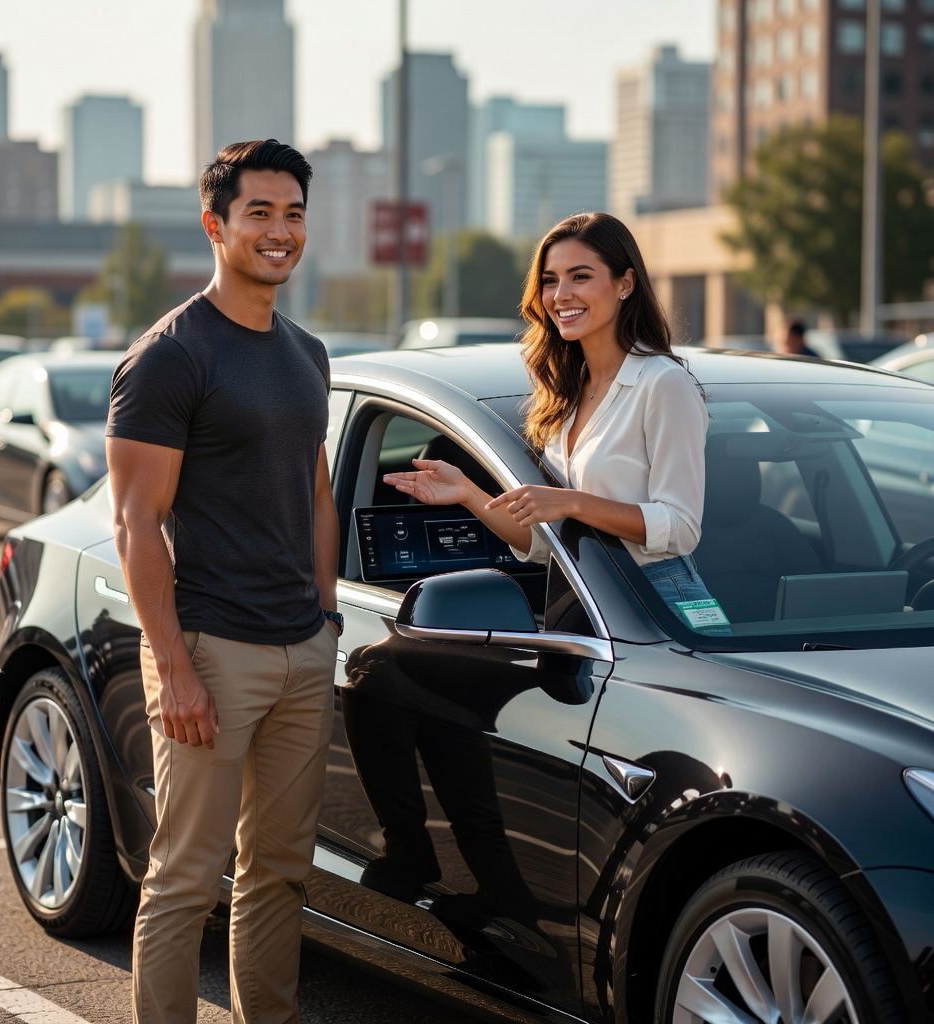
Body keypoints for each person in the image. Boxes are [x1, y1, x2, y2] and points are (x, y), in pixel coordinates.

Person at [106, 139, 341, 1024]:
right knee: (185, 878)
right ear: (216, 224)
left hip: (300, 650)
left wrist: (323, 618)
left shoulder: (306, 352)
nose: (280, 232)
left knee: (279, 872)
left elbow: (314, 489)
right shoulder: (171, 355)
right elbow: (136, 522)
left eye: (293, 214)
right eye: (259, 213)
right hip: (211, 647)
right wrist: (173, 664)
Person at [385, 211, 719, 625]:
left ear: (625, 284)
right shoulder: (566, 391)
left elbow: (681, 527)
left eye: (580, 277)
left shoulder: (663, 383)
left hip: (660, 600)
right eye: (550, 280)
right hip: (580, 600)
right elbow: (544, 544)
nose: (561, 294)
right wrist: (469, 493)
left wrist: (573, 502)